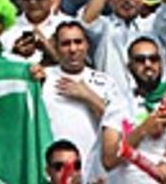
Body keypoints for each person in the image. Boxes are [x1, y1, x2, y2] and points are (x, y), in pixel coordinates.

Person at [100, 35, 166, 183]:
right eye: (140, 60)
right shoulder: (118, 104)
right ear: (129, 66)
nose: (148, 64)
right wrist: (142, 130)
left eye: (154, 59)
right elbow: (109, 159)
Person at [41, 21, 118, 182]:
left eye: (78, 42)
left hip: (92, 172)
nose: (73, 49)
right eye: (65, 44)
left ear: (87, 44)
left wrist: (89, 97)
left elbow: (122, 127)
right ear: (55, 46)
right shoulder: (42, 79)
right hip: (54, 173)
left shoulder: (106, 82)